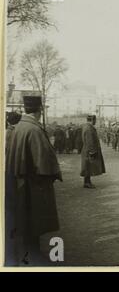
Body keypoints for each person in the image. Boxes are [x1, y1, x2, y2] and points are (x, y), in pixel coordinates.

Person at [5, 96, 62, 265]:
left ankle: (30, 251)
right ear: (40, 110)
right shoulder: (34, 130)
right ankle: (33, 254)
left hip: (21, 179)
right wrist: (53, 174)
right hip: (34, 182)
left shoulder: (21, 126)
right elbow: (42, 160)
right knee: (35, 219)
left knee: (26, 217)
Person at [80, 114, 106, 189]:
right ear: (92, 120)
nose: (96, 122)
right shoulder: (89, 128)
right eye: (95, 120)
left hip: (87, 150)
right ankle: (87, 183)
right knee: (88, 167)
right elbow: (90, 141)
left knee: (88, 166)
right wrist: (92, 151)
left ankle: (87, 182)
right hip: (89, 151)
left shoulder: (87, 127)